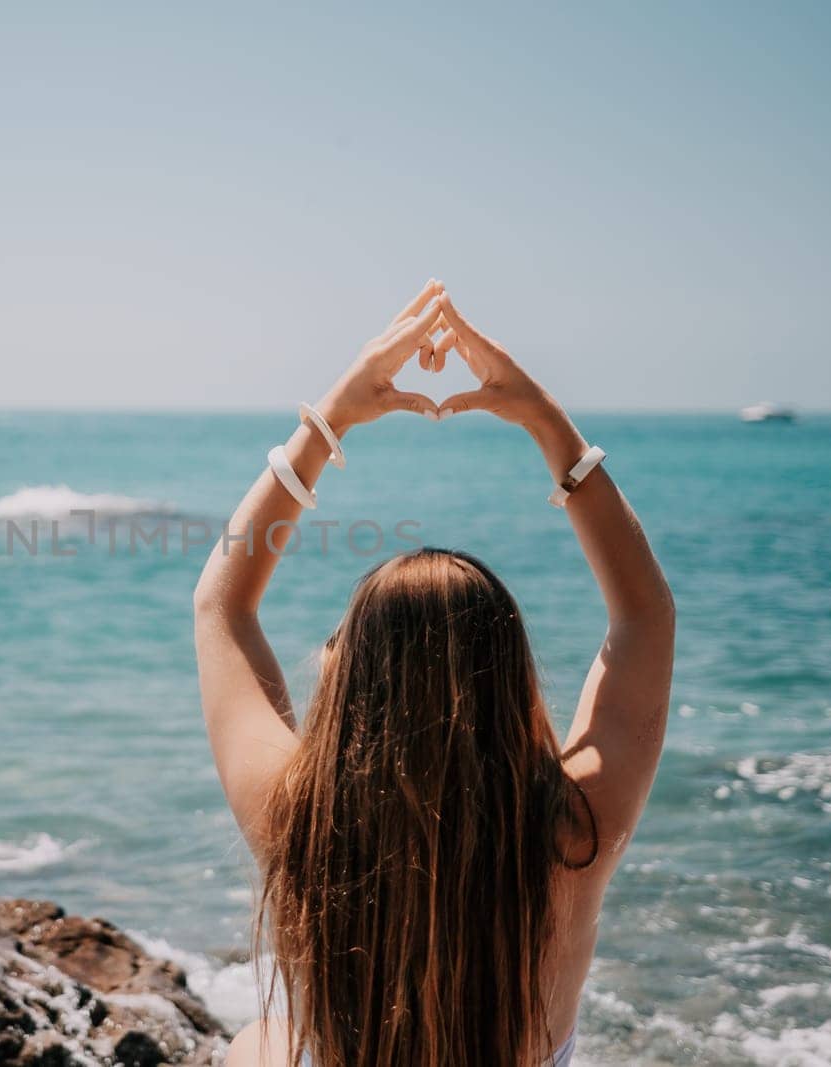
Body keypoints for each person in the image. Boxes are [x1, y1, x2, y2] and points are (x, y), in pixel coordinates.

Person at [192, 280, 675, 1067]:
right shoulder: (574, 831)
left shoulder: (298, 822)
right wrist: (548, 425)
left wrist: (331, 419)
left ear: (349, 676)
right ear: (510, 676)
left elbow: (221, 605)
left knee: (257, 1045)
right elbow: (645, 614)